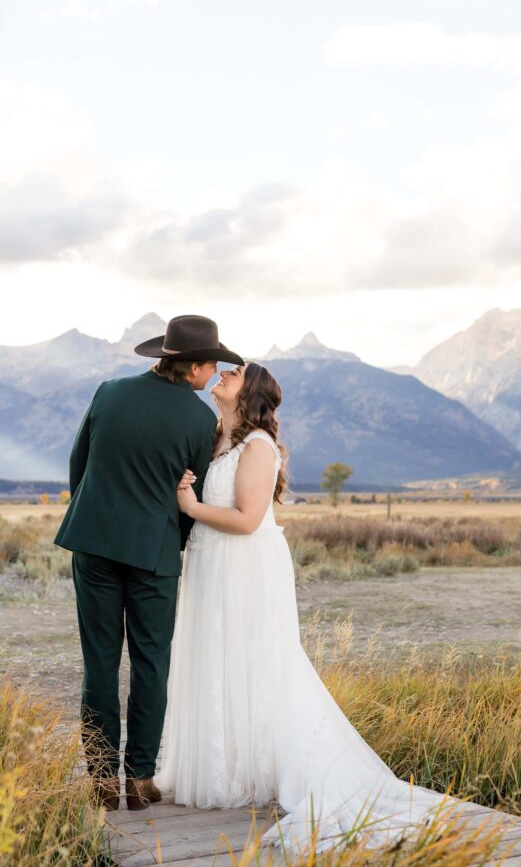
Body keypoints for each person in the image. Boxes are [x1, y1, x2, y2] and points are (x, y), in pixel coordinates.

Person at [155, 361, 453, 851]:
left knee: (255, 658)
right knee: (219, 657)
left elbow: (249, 519)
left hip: (243, 564)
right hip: (211, 562)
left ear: (249, 393)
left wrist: (190, 507)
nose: (224, 373)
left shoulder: (258, 446)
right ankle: (225, 765)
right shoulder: (217, 441)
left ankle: (268, 767)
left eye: (236, 372)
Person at [54, 315, 244, 812]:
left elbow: (79, 467)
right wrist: (173, 540)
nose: (212, 376)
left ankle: (100, 781)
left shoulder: (109, 392)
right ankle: (139, 780)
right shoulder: (199, 421)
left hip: (93, 545)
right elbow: (191, 494)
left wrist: (96, 518)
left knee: (98, 664)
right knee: (150, 664)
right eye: (212, 367)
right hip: (155, 555)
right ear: (194, 366)